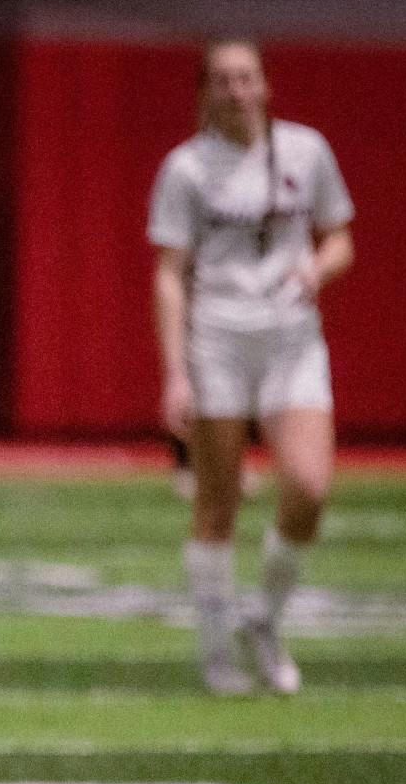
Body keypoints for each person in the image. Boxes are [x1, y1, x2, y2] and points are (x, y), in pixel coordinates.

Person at [149, 39, 354, 694]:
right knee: (218, 502)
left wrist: (316, 267)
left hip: (292, 337)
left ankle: (263, 616)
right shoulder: (186, 169)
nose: (238, 90)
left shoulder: (306, 151)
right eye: (224, 80)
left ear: (266, 85)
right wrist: (175, 370)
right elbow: (170, 274)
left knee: (309, 486)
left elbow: (341, 237)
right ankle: (216, 649)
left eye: (247, 78)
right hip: (220, 339)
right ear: (205, 92)